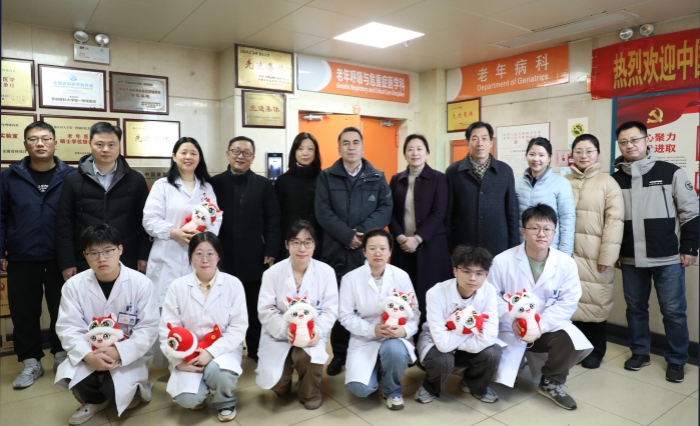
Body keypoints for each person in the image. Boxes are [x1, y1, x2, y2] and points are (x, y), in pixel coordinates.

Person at [612, 121, 698, 383]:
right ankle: (640, 352)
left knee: (673, 311)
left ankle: (677, 359)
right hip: (630, 258)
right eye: (624, 142)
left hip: (668, 257)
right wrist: (612, 252)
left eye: (634, 140)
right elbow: (610, 220)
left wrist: (690, 247)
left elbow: (691, 212)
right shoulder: (614, 180)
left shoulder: (671, 173)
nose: (630, 145)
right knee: (635, 308)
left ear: (647, 140)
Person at [54, 224, 159, 425]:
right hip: (91, 350)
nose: (101, 259)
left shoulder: (141, 283)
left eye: (108, 251)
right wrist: (88, 355)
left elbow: (148, 328)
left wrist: (119, 351)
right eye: (93, 253)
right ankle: (95, 400)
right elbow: (68, 327)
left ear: (120, 249)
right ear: (85, 255)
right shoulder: (73, 286)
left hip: (128, 352)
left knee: (115, 389)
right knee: (78, 378)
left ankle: (132, 392)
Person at [490, 204, 592, 411]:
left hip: (546, 327)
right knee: (497, 370)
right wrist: (512, 319)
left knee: (571, 340)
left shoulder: (565, 264)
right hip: (510, 328)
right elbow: (491, 297)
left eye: (547, 229)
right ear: (523, 232)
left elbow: (568, 302)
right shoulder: (502, 261)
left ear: (554, 232)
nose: (541, 234)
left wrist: (539, 325)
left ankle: (551, 382)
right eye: (535, 228)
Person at [1, 121, 76, 389]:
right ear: (25, 145)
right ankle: (31, 361)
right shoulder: (9, 177)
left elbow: (77, 217)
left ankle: (62, 356)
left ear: (55, 142)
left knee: (64, 310)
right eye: (33, 139)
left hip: (61, 258)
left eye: (46, 138)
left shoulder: (71, 176)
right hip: (22, 256)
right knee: (24, 313)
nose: (40, 143)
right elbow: (1, 216)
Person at [315, 126, 393, 376]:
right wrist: (347, 236)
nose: (351, 147)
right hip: (336, 249)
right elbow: (322, 211)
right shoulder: (327, 176)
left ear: (362, 147)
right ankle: (339, 353)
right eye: (346, 143)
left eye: (355, 142)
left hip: (367, 252)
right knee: (340, 304)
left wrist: (361, 235)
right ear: (339, 148)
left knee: (368, 302)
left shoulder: (377, 177)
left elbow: (385, 209)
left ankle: (371, 350)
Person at [159, 232, 247, 422]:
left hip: (222, 348)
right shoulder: (177, 287)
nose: (204, 260)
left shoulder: (233, 284)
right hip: (186, 352)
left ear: (219, 256)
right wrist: (178, 361)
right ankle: (200, 393)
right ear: (190, 256)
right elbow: (167, 329)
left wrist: (210, 352)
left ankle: (225, 402)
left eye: (210, 254)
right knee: (188, 399)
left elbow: (238, 328)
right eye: (198, 254)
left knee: (219, 373)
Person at [211, 136, 281, 362]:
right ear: (228, 154)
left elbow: (273, 219)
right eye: (236, 151)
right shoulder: (214, 184)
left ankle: (255, 348)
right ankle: (226, 348)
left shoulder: (263, 185)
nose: (240, 156)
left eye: (246, 153)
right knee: (224, 305)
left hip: (254, 255)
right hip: (222, 256)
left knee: (253, 306)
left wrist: (271, 248)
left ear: (253, 157)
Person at [256, 220, 338, 410]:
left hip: (311, 332)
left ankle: (310, 391)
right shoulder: (272, 273)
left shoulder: (326, 272)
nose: (302, 248)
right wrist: (289, 330)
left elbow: (330, 309)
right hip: (278, 333)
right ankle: (283, 382)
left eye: (308, 242)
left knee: (308, 357)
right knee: (276, 382)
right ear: (287, 245)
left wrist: (314, 331)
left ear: (314, 245)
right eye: (296, 242)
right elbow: (266, 309)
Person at [56, 122, 151, 279]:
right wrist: (67, 262)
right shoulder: (73, 180)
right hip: (86, 257)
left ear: (119, 146)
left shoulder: (135, 180)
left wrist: (144, 255)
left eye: (111, 144)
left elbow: (144, 222)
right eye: (99, 144)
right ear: (90, 144)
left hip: (126, 256)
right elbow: (64, 224)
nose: (105, 149)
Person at [338, 228, 419, 411]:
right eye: (372, 248)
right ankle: (380, 369)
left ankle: (392, 390)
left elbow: (414, 311)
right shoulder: (350, 278)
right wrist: (371, 329)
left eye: (383, 248)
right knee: (360, 389)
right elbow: (345, 315)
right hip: (364, 337)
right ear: (364, 251)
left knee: (394, 350)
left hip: (394, 336)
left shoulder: (401, 276)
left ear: (390, 251)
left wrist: (404, 330)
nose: (378, 253)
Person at [414, 245, 504, 404]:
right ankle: (430, 387)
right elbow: (442, 344)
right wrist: (471, 331)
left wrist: (456, 338)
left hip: (454, 340)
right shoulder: (436, 293)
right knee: (442, 359)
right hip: (436, 342)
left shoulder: (489, 291)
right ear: (455, 271)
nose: (472, 278)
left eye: (479, 273)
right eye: (467, 271)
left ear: (486, 275)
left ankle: (474, 385)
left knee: (492, 352)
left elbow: (490, 335)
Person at [565, 134, 624, 369]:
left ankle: (596, 351)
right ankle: (575, 349)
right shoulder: (565, 181)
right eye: (578, 151)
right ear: (572, 154)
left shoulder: (608, 183)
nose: (584, 156)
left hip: (596, 255)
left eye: (589, 151)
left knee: (596, 301)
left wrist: (608, 256)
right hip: (569, 255)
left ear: (598, 154)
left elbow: (615, 222)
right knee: (572, 302)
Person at [143, 137, 222, 306]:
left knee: (197, 307)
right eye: (184, 152)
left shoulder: (206, 188)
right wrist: (174, 233)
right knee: (166, 308)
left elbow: (216, 217)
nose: (188, 157)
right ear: (174, 156)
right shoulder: (162, 185)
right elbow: (150, 219)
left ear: (199, 158)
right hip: (167, 254)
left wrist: (202, 236)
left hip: (199, 253)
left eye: (193, 153)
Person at [389, 134, 451, 325]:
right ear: (404, 155)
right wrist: (400, 237)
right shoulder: (396, 179)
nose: (415, 153)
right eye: (410, 149)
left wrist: (417, 238)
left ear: (427, 153)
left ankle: (430, 334)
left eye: (419, 149)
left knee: (429, 295)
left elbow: (439, 212)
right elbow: (390, 212)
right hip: (403, 248)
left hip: (431, 247)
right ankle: (405, 333)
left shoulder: (439, 178)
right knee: (404, 296)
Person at [446, 121, 519, 257]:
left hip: (498, 246)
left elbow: (512, 212)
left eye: (484, 138)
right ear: (468, 143)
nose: (480, 143)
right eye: (475, 139)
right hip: (464, 246)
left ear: (491, 142)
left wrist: (514, 248)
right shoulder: (453, 172)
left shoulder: (505, 171)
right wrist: (449, 247)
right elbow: (449, 213)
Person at [515, 137, 575, 255]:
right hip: (522, 249)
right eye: (532, 154)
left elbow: (567, 221)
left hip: (550, 249)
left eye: (541, 155)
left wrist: (564, 254)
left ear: (549, 158)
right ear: (526, 155)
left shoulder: (561, 184)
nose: (536, 159)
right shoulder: (517, 182)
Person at [274, 132, 323, 261]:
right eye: (300, 149)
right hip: (289, 241)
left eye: (310, 149)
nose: (305, 153)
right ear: (294, 152)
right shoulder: (283, 181)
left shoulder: (324, 179)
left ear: (316, 153)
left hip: (317, 242)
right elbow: (276, 217)